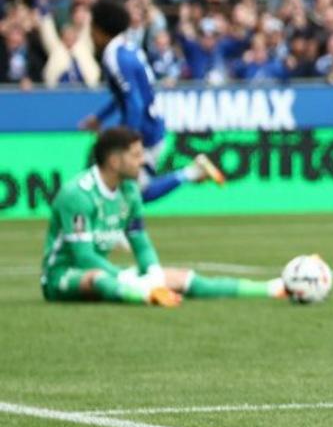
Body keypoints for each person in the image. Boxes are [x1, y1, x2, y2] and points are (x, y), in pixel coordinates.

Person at [42, 127, 289, 307]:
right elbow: (83, 257)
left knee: (182, 278)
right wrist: (131, 280)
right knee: (100, 279)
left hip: (107, 271)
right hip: (62, 276)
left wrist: (152, 272)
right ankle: (146, 297)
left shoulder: (129, 190)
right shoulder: (78, 194)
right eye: (136, 155)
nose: (144, 161)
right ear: (115, 161)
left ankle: (270, 288)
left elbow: (140, 239)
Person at [79, 1, 225, 203]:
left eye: (92, 29)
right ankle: (191, 173)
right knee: (129, 191)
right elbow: (127, 95)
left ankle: (190, 173)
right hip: (151, 127)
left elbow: (135, 103)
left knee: (132, 192)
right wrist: (100, 117)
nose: (90, 35)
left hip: (145, 132)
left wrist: (127, 142)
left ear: (100, 30)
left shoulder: (115, 56)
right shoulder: (127, 48)